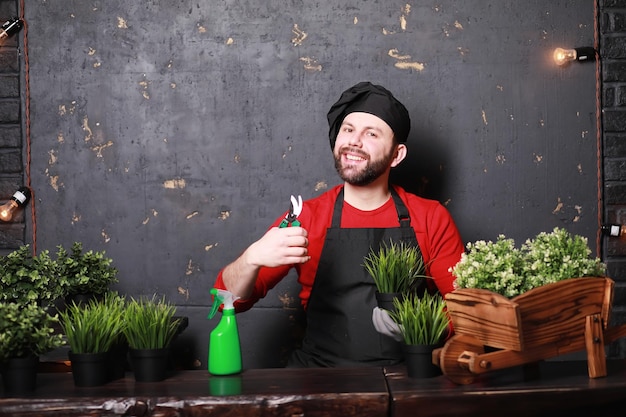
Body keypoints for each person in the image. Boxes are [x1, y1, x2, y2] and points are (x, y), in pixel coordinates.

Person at [214, 81, 464, 367]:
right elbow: (225, 301)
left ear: (397, 155)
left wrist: (422, 326)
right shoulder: (305, 216)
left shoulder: (430, 217)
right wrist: (251, 259)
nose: (354, 141)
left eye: (371, 133)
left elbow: (468, 309)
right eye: (348, 129)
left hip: (409, 377)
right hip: (320, 379)